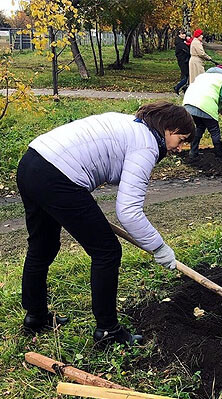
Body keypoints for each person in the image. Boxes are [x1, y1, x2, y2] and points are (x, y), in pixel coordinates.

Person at [16, 102, 195, 346]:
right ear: (168, 128)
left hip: (32, 162)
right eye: (181, 139)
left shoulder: (131, 125)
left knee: (42, 245)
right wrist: (159, 247)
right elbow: (129, 212)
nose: (180, 148)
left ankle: (35, 317)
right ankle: (108, 331)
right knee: (107, 251)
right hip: (58, 176)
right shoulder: (146, 145)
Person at [183, 65, 222, 161]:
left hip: (189, 103)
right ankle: (220, 157)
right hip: (205, 105)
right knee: (214, 131)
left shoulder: (201, 76)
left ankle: (193, 153)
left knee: (199, 127)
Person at [174, 29, 191, 95]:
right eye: (182, 34)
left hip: (184, 60)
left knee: (187, 76)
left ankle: (184, 87)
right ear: (179, 35)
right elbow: (187, 51)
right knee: (187, 75)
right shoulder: (180, 43)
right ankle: (178, 87)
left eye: (184, 34)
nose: (184, 35)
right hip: (183, 61)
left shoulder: (182, 42)